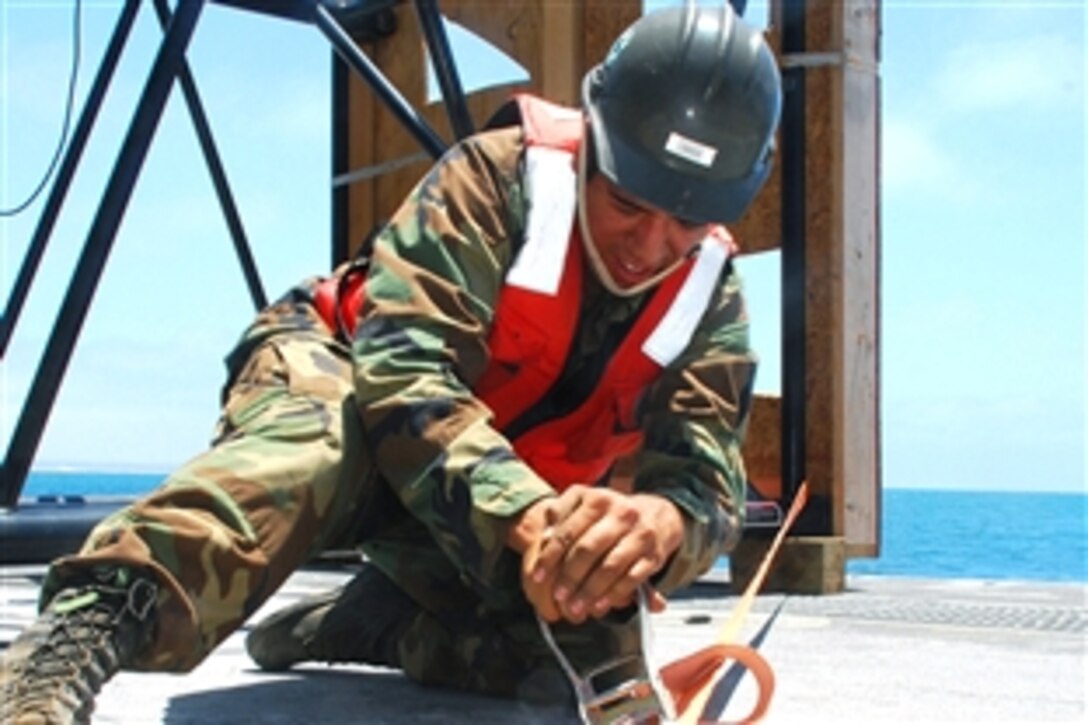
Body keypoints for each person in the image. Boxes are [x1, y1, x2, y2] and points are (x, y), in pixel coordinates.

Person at [0, 4, 781, 722]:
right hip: (351, 383)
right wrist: (531, 515)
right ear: (592, 148)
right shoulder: (493, 183)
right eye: (628, 203)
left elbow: (707, 480)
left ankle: (379, 620)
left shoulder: (710, 302)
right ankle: (77, 638)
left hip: (473, 501)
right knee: (312, 447)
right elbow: (404, 378)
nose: (649, 247)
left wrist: (660, 523)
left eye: (686, 218)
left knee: (556, 654)